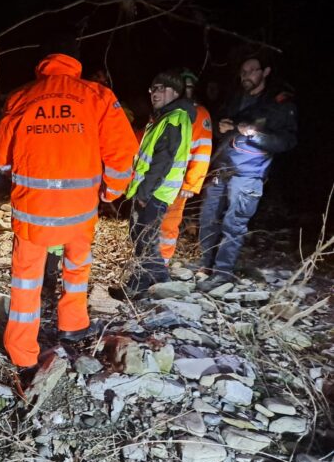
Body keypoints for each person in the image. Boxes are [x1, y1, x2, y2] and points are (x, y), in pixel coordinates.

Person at [0, 33, 138, 368]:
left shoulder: (20, 97)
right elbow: (121, 153)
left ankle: (21, 352)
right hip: (80, 210)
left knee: (26, 279)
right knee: (76, 268)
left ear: (42, 62)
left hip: (33, 209)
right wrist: (111, 192)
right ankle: (73, 325)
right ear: (75, 60)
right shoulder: (98, 96)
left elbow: (2, 156)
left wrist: (22, 176)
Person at [196, 56, 297, 291]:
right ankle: (204, 266)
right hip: (222, 167)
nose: (246, 75)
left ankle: (222, 273)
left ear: (266, 71)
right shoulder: (234, 98)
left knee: (234, 223)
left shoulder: (279, 104)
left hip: (250, 172)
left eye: (252, 71)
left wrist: (254, 134)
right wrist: (222, 129)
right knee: (208, 218)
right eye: (243, 71)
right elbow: (224, 130)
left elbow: (287, 141)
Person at [110, 69, 195, 299]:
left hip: (156, 192)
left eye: (160, 88)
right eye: (152, 89)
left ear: (174, 91)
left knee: (145, 240)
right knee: (141, 238)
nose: (154, 93)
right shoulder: (164, 117)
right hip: (154, 190)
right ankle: (140, 285)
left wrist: (145, 192)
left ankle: (163, 285)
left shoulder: (174, 118)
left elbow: (162, 160)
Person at [158, 69, 213, 265]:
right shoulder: (164, 110)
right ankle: (145, 259)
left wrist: (192, 184)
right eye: (184, 87)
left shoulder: (199, 114)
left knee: (169, 224)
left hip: (177, 182)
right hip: (155, 179)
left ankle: (161, 263)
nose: (187, 91)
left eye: (190, 87)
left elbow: (203, 151)